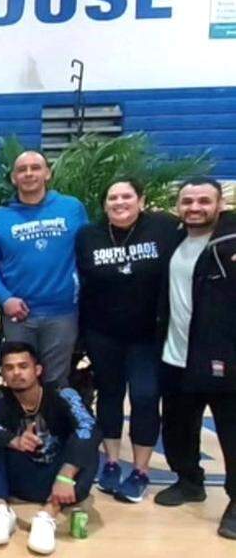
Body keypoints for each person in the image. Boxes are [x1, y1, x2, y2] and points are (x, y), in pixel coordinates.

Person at [75, 179, 180, 503]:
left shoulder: (163, 227)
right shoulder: (88, 236)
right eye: (112, 198)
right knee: (109, 396)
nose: (119, 202)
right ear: (104, 204)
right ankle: (110, 463)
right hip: (103, 333)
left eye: (126, 196)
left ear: (141, 200)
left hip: (148, 336)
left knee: (145, 397)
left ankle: (140, 470)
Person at [154, 177, 236, 539]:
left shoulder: (230, 241)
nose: (195, 208)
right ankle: (189, 480)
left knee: (232, 433)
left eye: (204, 201)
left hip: (223, 357)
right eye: (187, 202)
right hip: (175, 353)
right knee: (177, 425)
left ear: (219, 205)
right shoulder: (174, 240)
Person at [0, 342, 100, 555]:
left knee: (87, 442)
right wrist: (14, 440)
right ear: (1, 373)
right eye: (9, 368)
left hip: (60, 481)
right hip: (17, 480)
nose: (16, 373)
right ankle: (1, 510)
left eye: (23, 366)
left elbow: (89, 427)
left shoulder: (63, 394)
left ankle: (47, 516)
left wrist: (66, 476)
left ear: (37, 370)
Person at [0, 150, 88, 388]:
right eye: (22, 169)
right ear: (13, 178)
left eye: (35, 168)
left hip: (63, 313)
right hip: (19, 315)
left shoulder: (72, 208)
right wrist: (5, 299)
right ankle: (23, 426)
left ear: (47, 173)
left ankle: (53, 426)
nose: (29, 174)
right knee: (19, 380)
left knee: (56, 381)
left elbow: (89, 252)